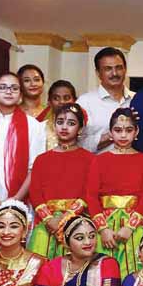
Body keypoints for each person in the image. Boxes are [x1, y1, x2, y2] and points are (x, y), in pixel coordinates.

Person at [0, 72, 46, 250]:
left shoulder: (34, 126)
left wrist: (15, 201)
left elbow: (35, 168)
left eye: (14, 88)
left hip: (21, 202)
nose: (9, 91)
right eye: (3, 87)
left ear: (20, 95)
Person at [85, 107, 143, 277]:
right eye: (118, 130)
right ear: (110, 132)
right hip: (106, 225)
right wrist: (103, 229)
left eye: (128, 130)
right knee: (103, 274)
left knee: (134, 272)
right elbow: (91, 196)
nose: (123, 135)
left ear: (136, 132)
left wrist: (130, 227)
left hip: (133, 226)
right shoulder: (99, 160)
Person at [27, 104, 93, 259]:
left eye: (71, 123)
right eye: (60, 122)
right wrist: (49, 219)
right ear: (54, 125)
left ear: (80, 129)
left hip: (78, 223)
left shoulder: (90, 160)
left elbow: (89, 191)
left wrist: (67, 217)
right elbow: (35, 193)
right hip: (47, 225)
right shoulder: (41, 160)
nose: (64, 127)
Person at [77, 47, 132, 153]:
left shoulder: (137, 99)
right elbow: (77, 144)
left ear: (125, 69)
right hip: (97, 163)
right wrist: (112, 134)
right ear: (98, 73)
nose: (114, 73)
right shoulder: (85, 102)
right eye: (108, 69)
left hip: (134, 162)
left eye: (119, 68)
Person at [42, 80, 83, 150]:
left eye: (66, 98)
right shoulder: (41, 128)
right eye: (56, 98)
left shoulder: (81, 127)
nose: (62, 102)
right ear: (49, 102)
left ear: (75, 101)